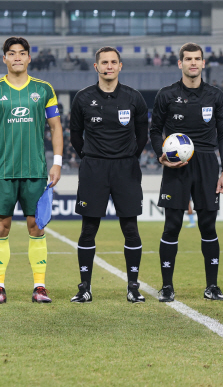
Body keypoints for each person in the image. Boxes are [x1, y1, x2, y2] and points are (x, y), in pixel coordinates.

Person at [0, 36, 63, 304]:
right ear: (4, 58)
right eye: (12, 54)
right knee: (2, 227)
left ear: (29, 58)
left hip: (36, 170)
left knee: (36, 226)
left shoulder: (44, 89)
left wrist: (57, 162)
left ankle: (40, 286)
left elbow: (56, 127)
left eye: (22, 53)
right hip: (1, 171)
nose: (17, 58)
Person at [150, 42, 223, 302]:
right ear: (180, 63)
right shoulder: (166, 94)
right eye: (188, 59)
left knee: (208, 226)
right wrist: (160, 156)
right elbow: (154, 130)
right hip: (177, 165)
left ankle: (212, 286)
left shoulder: (215, 96)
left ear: (203, 63)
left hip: (207, 163)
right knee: (172, 226)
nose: (193, 63)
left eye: (197, 59)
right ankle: (166, 287)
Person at [69, 46, 149, 304]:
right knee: (88, 230)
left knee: (131, 229)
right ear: (96, 67)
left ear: (120, 66)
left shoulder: (134, 98)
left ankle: (133, 288)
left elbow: (142, 135)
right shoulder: (82, 98)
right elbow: (74, 137)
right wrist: (93, 156)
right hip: (94, 168)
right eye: (104, 62)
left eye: (113, 62)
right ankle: (84, 288)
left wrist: (126, 156)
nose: (109, 66)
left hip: (126, 168)